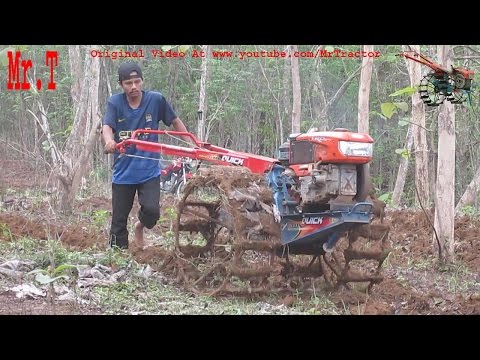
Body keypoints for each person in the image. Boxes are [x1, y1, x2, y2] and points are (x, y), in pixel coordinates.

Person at [102, 61, 190, 250]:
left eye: (137, 82)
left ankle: (139, 227)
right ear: (121, 85)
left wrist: (191, 144)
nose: (133, 87)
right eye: (128, 83)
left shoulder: (155, 100)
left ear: (142, 81)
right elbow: (107, 126)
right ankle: (118, 258)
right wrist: (109, 141)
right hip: (123, 173)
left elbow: (174, 121)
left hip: (148, 172)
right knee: (118, 221)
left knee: (152, 212)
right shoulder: (115, 102)